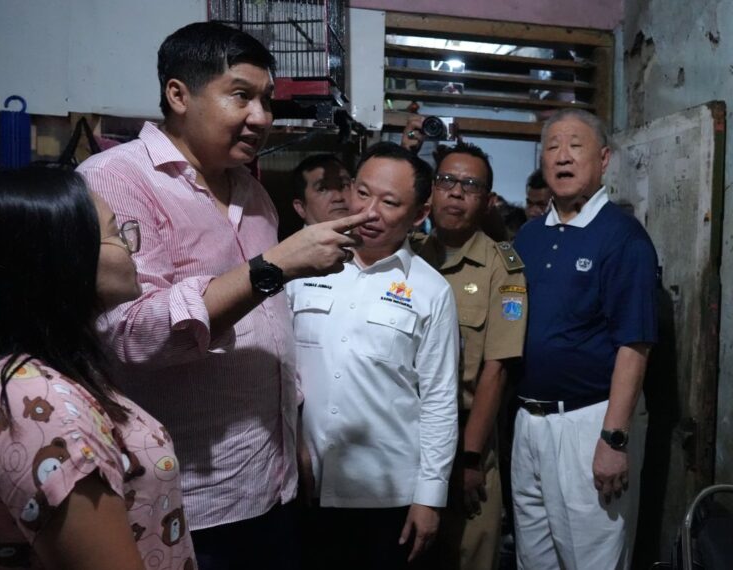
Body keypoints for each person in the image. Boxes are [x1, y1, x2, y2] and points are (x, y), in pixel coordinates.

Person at [77, 22, 372, 570]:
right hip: (185, 499)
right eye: (241, 95)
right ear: (178, 94)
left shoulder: (254, 192)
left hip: (270, 484)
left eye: (266, 100)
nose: (261, 117)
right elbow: (128, 335)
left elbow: (271, 330)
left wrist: (292, 439)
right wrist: (277, 264)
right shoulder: (114, 182)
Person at [0, 166, 195, 569]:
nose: (131, 246)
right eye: (117, 232)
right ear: (61, 257)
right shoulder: (40, 409)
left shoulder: (35, 374)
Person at [289, 142, 459, 569]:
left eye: (389, 202)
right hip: (301, 485)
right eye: (362, 193)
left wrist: (430, 498)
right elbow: (279, 368)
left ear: (419, 214)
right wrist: (291, 441)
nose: (369, 212)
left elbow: (439, 400)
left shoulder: (431, 290)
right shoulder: (300, 266)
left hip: (387, 497)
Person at [511, 109, 658, 570]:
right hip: (528, 421)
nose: (562, 157)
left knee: (591, 558)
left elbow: (634, 345)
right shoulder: (529, 237)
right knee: (533, 558)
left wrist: (613, 439)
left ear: (604, 159)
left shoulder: (623, 238)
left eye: (576, 145)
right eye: (552, 147)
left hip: (586, 423)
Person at [412, 143, 527, 570]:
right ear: (431, 192)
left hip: (468, 436)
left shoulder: (504, 269)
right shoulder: (406, 255)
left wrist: (472, 457)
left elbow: (496, 370)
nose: (456, 193)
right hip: (406, 436)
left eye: (470, 185)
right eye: (446, 181)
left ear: (487, 201)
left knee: (468, 556)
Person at [291, 153, 353, 226]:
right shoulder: (297, 238)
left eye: (344, 185)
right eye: (322, 189)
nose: (338, 197)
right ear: (301, 208)